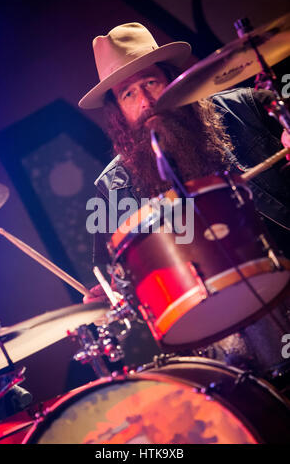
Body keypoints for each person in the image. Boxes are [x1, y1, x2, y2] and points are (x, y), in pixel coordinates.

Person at [79, 23, 290, 378]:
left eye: (150, 82)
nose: (145, 102)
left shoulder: (247, 110)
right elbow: (120, 284)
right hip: (217, 348)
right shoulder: (113, 187)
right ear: (118, 113)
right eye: (129, 94)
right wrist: (111, 297)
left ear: (173, 80)